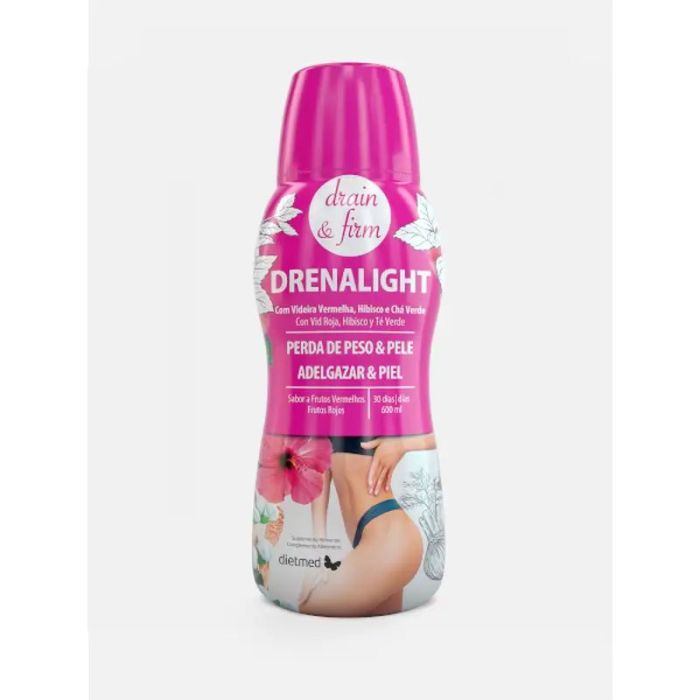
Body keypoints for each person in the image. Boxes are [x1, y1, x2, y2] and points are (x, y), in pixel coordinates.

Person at [299, 434, 436, 616]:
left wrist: (401, 444)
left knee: (309, 605)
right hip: (378, 539)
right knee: (379, 627)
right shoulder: (326, 420)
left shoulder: (379, 416)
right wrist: (318, 547)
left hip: (389, 538)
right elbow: (320, 473)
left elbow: (436, 435)